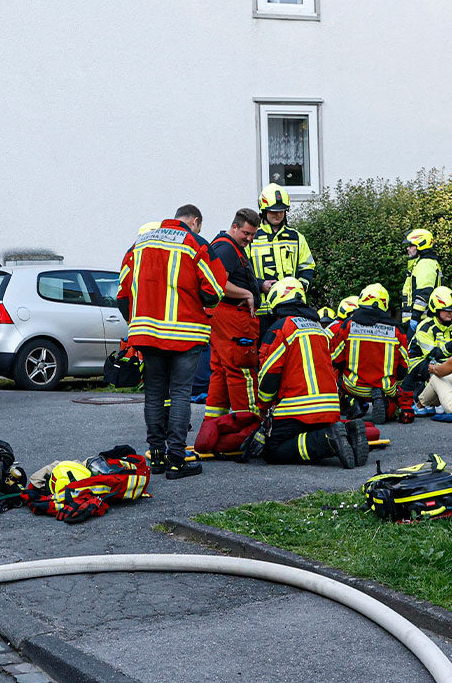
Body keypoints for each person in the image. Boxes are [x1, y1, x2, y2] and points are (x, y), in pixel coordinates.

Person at [117, 215, 225, 478]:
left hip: (147, 334)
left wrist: (137, 322)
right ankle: (177, 459)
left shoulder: (138, 245)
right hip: (186, 333)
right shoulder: (194, 243)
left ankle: (156, 457)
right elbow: (214, 291)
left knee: (154, 393)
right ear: (192, 222)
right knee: (180, 393)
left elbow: (122, 294)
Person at [253, 278, 359, 467]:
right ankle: (346, 435)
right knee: (305, 436)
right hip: (331, 408)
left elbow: (269, 373)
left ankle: (328, 440)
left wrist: (263, 406)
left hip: (298, 409)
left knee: (273, 450)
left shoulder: (281, 327)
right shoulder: (318, 328)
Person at [203, 208, 261, 419]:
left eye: (253, 234)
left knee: (220, 370)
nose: (249, 238)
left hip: (221, 316)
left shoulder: (225, 246)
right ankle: (250, 425)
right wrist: (246, 293)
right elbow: (219, 283)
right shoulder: (227, 249)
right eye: (246, 233)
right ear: (234, 227)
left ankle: (214, 422)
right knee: (241, 369)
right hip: (233, 318)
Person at [328, 283, 408, 424]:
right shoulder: (397, 331)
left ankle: (351, 401)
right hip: (385, 387)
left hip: (353, 385)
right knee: (393, 399)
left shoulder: (348, 325)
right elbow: (404, 366)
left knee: (334, 371)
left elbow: (335, 358)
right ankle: (386, 404)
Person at [249, 184, 315, 330]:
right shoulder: (252, 237)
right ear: (264, 210)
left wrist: (300, 288)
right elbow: (242, 270)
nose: (277, 215)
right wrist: (260, 285)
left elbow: (307, 267)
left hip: (291, 308)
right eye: (273, 211)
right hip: (261, 311)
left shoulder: (296, 237)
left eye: (281, 211)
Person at [395, 286, 452, 421]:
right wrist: (451, 346)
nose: (451, 313)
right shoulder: (425, 326)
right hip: (417, 362)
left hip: (444, 362)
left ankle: (436, 401)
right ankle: (424, 402)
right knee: (437, 365)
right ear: (436, 309)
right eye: (447, 310)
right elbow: (433, 354)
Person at [400, 228, 442, 334]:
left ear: (420, 245)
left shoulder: (425, 264)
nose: (408, 249)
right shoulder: (421, 263)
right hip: (420, 320)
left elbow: (424, 293)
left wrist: (415, 317)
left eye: (411, 246)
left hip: (421, 320)